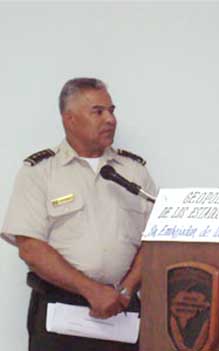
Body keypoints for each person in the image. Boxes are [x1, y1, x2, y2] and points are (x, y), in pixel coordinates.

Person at [1, 78, 156, 351]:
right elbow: (31, 249)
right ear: (69, 119)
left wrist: (127, 288)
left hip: (122, 309)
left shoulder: (134, 171)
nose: (110, 119)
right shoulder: (40, 172)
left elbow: (156, 238)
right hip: (61, 312)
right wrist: (90, 290)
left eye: (112, 110)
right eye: (98, 111)